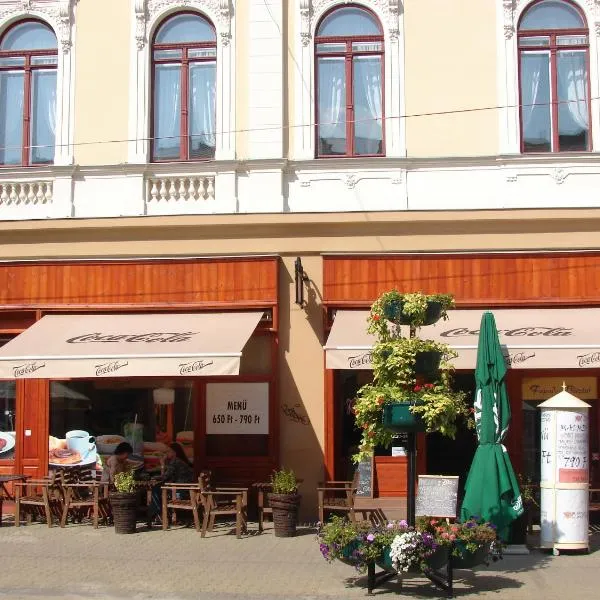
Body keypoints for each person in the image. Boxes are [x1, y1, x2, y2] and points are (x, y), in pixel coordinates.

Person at [147, 442, 194, 523]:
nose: (166, 453)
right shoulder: (178, 461)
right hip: (185, 489)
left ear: (174, 452)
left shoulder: (175, 461)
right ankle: (158, 514)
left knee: (156, 489)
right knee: (157, 488)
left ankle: (159, 515)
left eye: (168, 451)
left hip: (181, 491)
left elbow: (164, 477)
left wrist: (162, 464)